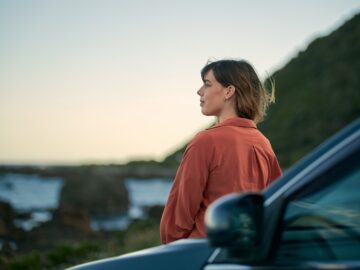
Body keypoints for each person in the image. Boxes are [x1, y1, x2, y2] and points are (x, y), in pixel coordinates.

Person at [160, 59, 282, 244]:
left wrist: (174, 251)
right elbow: (275, 206)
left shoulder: (206, 141)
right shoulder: (264, 144)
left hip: (203, 253)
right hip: (246, 254)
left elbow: (178, 219)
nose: (199, 91)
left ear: (229, 91)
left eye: (207, 84)